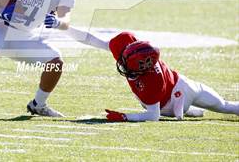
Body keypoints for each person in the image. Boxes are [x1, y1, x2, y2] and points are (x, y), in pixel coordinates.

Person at [67, 27, 239, 121]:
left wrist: (125, 117)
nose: (121, 63)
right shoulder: (126, 46)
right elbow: (91, 39)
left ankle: (186, 109)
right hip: (176, 88)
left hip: (178, 95)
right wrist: (62, 26)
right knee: (223, 106)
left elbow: (153, 115)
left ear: (141, 68)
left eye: (126, 63)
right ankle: (192, 111)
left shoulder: (152, 80)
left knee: (225, 107)